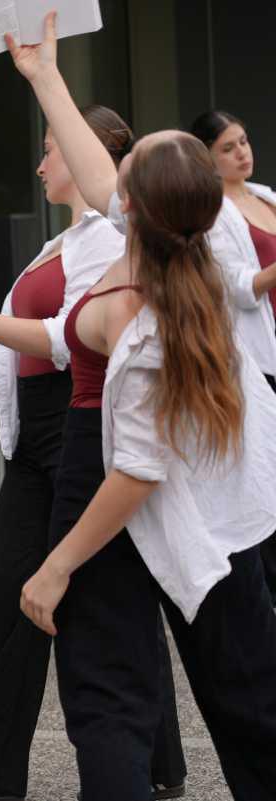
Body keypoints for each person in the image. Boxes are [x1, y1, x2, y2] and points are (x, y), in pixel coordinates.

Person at [12, 15, 276, 799]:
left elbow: (138, 468)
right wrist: (44, 76)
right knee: (248, 692)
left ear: (131, 198)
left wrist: (55, 567)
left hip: (128, 484)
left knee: (112, 702)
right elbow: (102, 175)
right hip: (196, 489)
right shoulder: (199, 237)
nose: (112, 170)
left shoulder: (139, 315)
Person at [0, 107, 186, 801]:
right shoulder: (60, 244)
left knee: (61, 601)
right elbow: (13, 352)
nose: (40, 165)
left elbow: (60, 340)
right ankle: (157, 763)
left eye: (51, 150)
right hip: (39, 434)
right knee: (58, 600)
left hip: (69, 428)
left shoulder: (100, 240)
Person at [188, 109, 276, 602]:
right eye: (229, 147)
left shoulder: (265, 196)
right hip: (259, 357)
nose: (242, 152)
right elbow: (239, 290)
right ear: (206, 158)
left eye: (244, 142)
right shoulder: (214, 213)